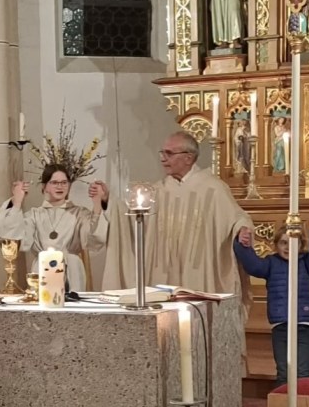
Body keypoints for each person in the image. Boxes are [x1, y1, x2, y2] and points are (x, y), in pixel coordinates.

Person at [103, 131, 254, 307]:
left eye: (169, 153)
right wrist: (109, 200)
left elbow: (236, 217)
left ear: (188, 158)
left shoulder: (213, 189)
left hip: (198, 273)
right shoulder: (158, 191)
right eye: (162, 153)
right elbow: (131, 219)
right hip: (162, 272)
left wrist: (242, 229)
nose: (163, 158)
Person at [233, 218, 309, 386]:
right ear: (276, 245)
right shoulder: (271, 264)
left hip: (303, 323)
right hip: (281, 324)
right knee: (283, 371)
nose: (288, 248)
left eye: (294, 243)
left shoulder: (308, 263)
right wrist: (242, 243)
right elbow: (253, 265)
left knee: (303, 371)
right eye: (284, 243)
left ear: (301, 245)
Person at [21, 164, 108, 292]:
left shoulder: (79, 213)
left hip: (72, 270)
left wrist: (97, 204)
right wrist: (17, 202)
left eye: (64, 182)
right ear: (44, 186)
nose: (60, 186)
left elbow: (93, 240)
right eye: (54, 182)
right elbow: (22, 242)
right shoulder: (34, 215)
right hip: (43, 268)